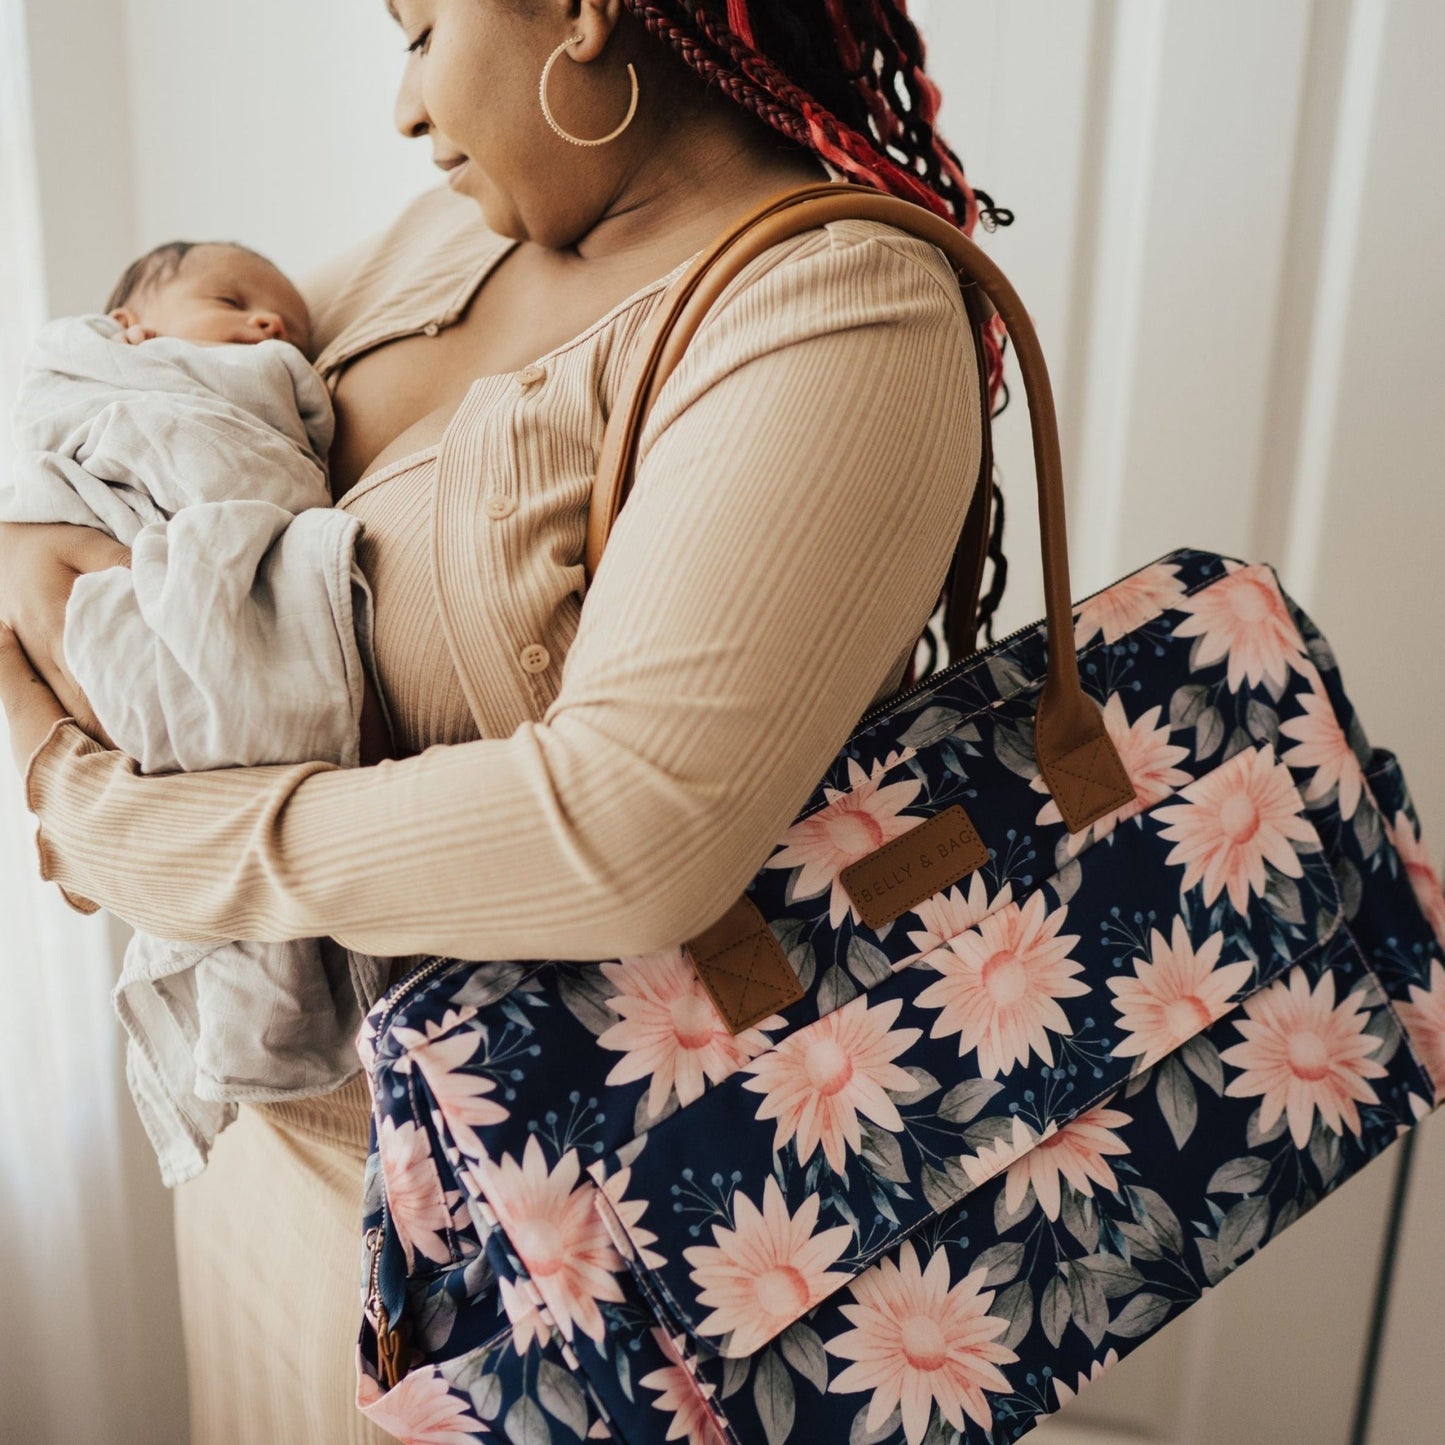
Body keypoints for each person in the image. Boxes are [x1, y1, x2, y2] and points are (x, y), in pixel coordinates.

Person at [0, 1, 999, 1439]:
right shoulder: (453, 235)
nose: (405, 110)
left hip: (533, 1256)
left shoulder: (838, 314)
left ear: (585, 12)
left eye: (418, 30)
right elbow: (139, 413)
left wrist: (113, 819)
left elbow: (628, 829)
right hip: (266, 1153)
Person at [0, 239, 394, 1188]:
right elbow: (106, 448)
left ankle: (134, 824)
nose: (268, 326)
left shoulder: (273, 396)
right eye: (233, 300)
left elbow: (268, 477)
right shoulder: (102, 373)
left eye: (286, 326)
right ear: (129, 329)